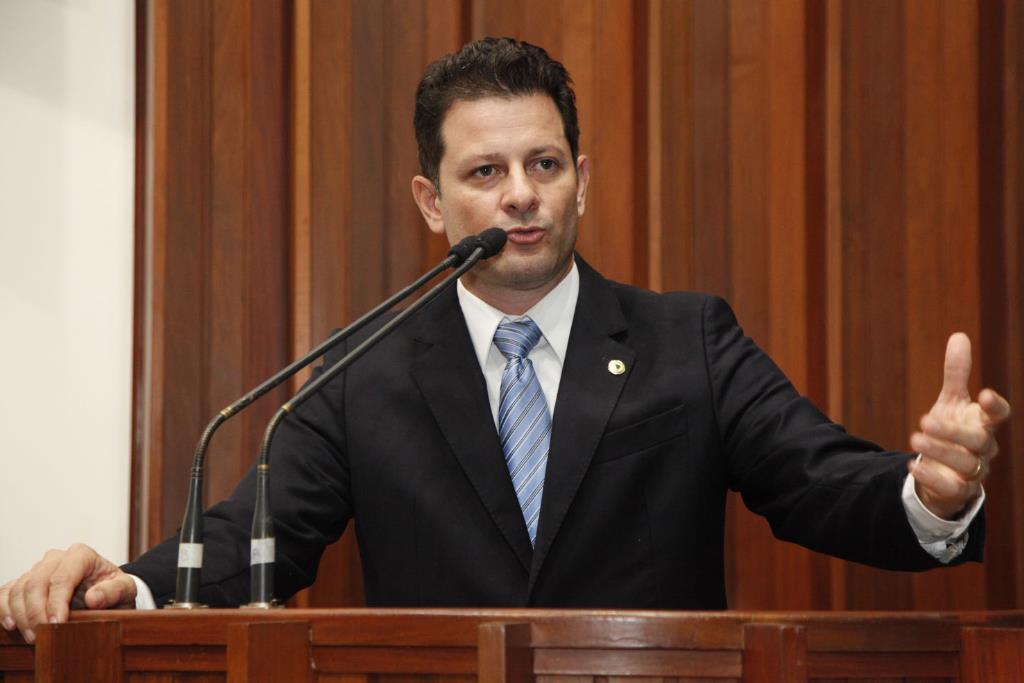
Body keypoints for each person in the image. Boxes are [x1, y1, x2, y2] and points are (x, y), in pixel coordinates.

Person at [1, 38, 1011, 642]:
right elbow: (245, 545)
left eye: (544, 163)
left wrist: (926, 493)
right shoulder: (364, 371)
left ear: (584, 179)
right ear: (430, 202)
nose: (521, 194)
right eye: (485, 172)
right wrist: (121, 585)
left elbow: (815, 479)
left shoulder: (684, 339)